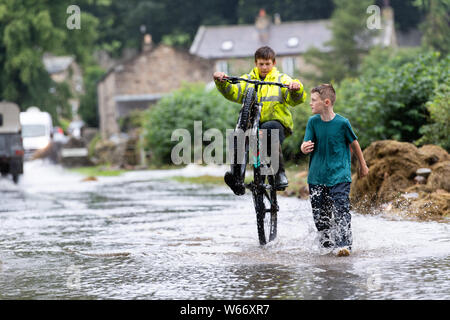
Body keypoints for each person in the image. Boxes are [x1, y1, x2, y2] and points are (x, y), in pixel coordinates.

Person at [213, 46, 307, 194]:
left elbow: (295, 99)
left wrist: (296, 88)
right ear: (255, 63)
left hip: (276, 123)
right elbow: (233, 92)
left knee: (269, 130)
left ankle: (279, 174)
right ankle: (237, 178)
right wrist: (222, 82)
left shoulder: (281, 79)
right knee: (238, 136)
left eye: (267, 64)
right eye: (261, 64)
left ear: (274, 63)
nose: (264, 67)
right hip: (252, 125)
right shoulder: (248, 80)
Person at [300, 84, 369, 257]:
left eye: (314, 100)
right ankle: (326, 246)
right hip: (317, 177)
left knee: (341, 210)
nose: (310, 104)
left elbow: (354, 143)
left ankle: (344, 245)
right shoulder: (312, 122)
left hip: (340, 175)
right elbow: (305, 142)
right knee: (320, 216)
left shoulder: (342, 123)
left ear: (327, 102)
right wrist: (303, 147)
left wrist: (363, 164)